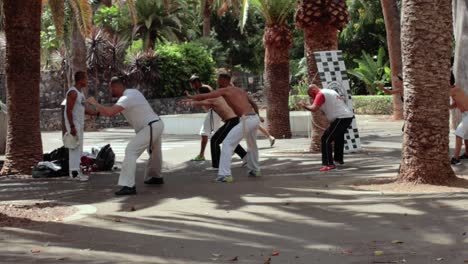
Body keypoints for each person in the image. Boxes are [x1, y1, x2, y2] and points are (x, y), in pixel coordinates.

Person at [87, 77, 164, 195]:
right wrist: (94, 112)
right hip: (155, 124)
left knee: (131, 151)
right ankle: (155, 177)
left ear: (115, 86)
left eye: (111, 88)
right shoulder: (133, 93)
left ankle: (128, 186)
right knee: (155, 152)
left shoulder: (127, 97)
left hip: (150, 126)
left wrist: (94, 103)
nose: (110, 91)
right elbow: (109, 111)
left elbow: (110, 112)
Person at [187, 73, 261, 182]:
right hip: (253, 118)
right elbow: (253, 104)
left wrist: (191, 96)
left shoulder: (225, 90)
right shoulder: (240, 90)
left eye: (219, 79)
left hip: (246, 120)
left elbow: (207, 96)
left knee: (227, 143)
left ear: (224, 80)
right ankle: (255, 170)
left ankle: (225, 175)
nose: (217, 81)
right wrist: (258, 116)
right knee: (252, 145)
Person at [299, 84, 354, 172]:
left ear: (313, 91)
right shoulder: (331, 91)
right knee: (338, 138)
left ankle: (329, 164)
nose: (313, 98)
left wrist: (304, 106)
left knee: (326, 139)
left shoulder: (320, 94)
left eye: (312, 95)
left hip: (341, 117)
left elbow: (314, 108)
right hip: (347, 116)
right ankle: (338, 160)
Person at [64, 71, 100, 182]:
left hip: (79, 124)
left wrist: (95, 113)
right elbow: (68, 110)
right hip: (74, 124)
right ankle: (74, 173)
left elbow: (84, 109)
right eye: (86, 79)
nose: (87, 81)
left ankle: (77, 172)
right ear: (80, 80)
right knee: (74, 148)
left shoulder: (80, 93)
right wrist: (72, 126)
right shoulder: (73, 93)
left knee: (78, 148)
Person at [188, 75, 222, 161]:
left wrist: (194, 102)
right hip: (215, 112)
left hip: (213, 112)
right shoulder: (206, 87)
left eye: (192, 84)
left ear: (196, 83)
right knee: (219, 134)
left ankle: (201, 155)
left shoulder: (202, 89)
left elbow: (206, 101)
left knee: (204, 133)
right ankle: (238, 151)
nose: (191, 86)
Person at [450, 76, 468, 165]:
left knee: (458, 133)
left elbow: (440, 95)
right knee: (466, 136)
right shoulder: (455, 90)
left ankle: (455, 159)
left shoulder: (454, 90)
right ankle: (467, 154)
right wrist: (448, 107)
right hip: (465, 114)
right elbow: (456, 104)